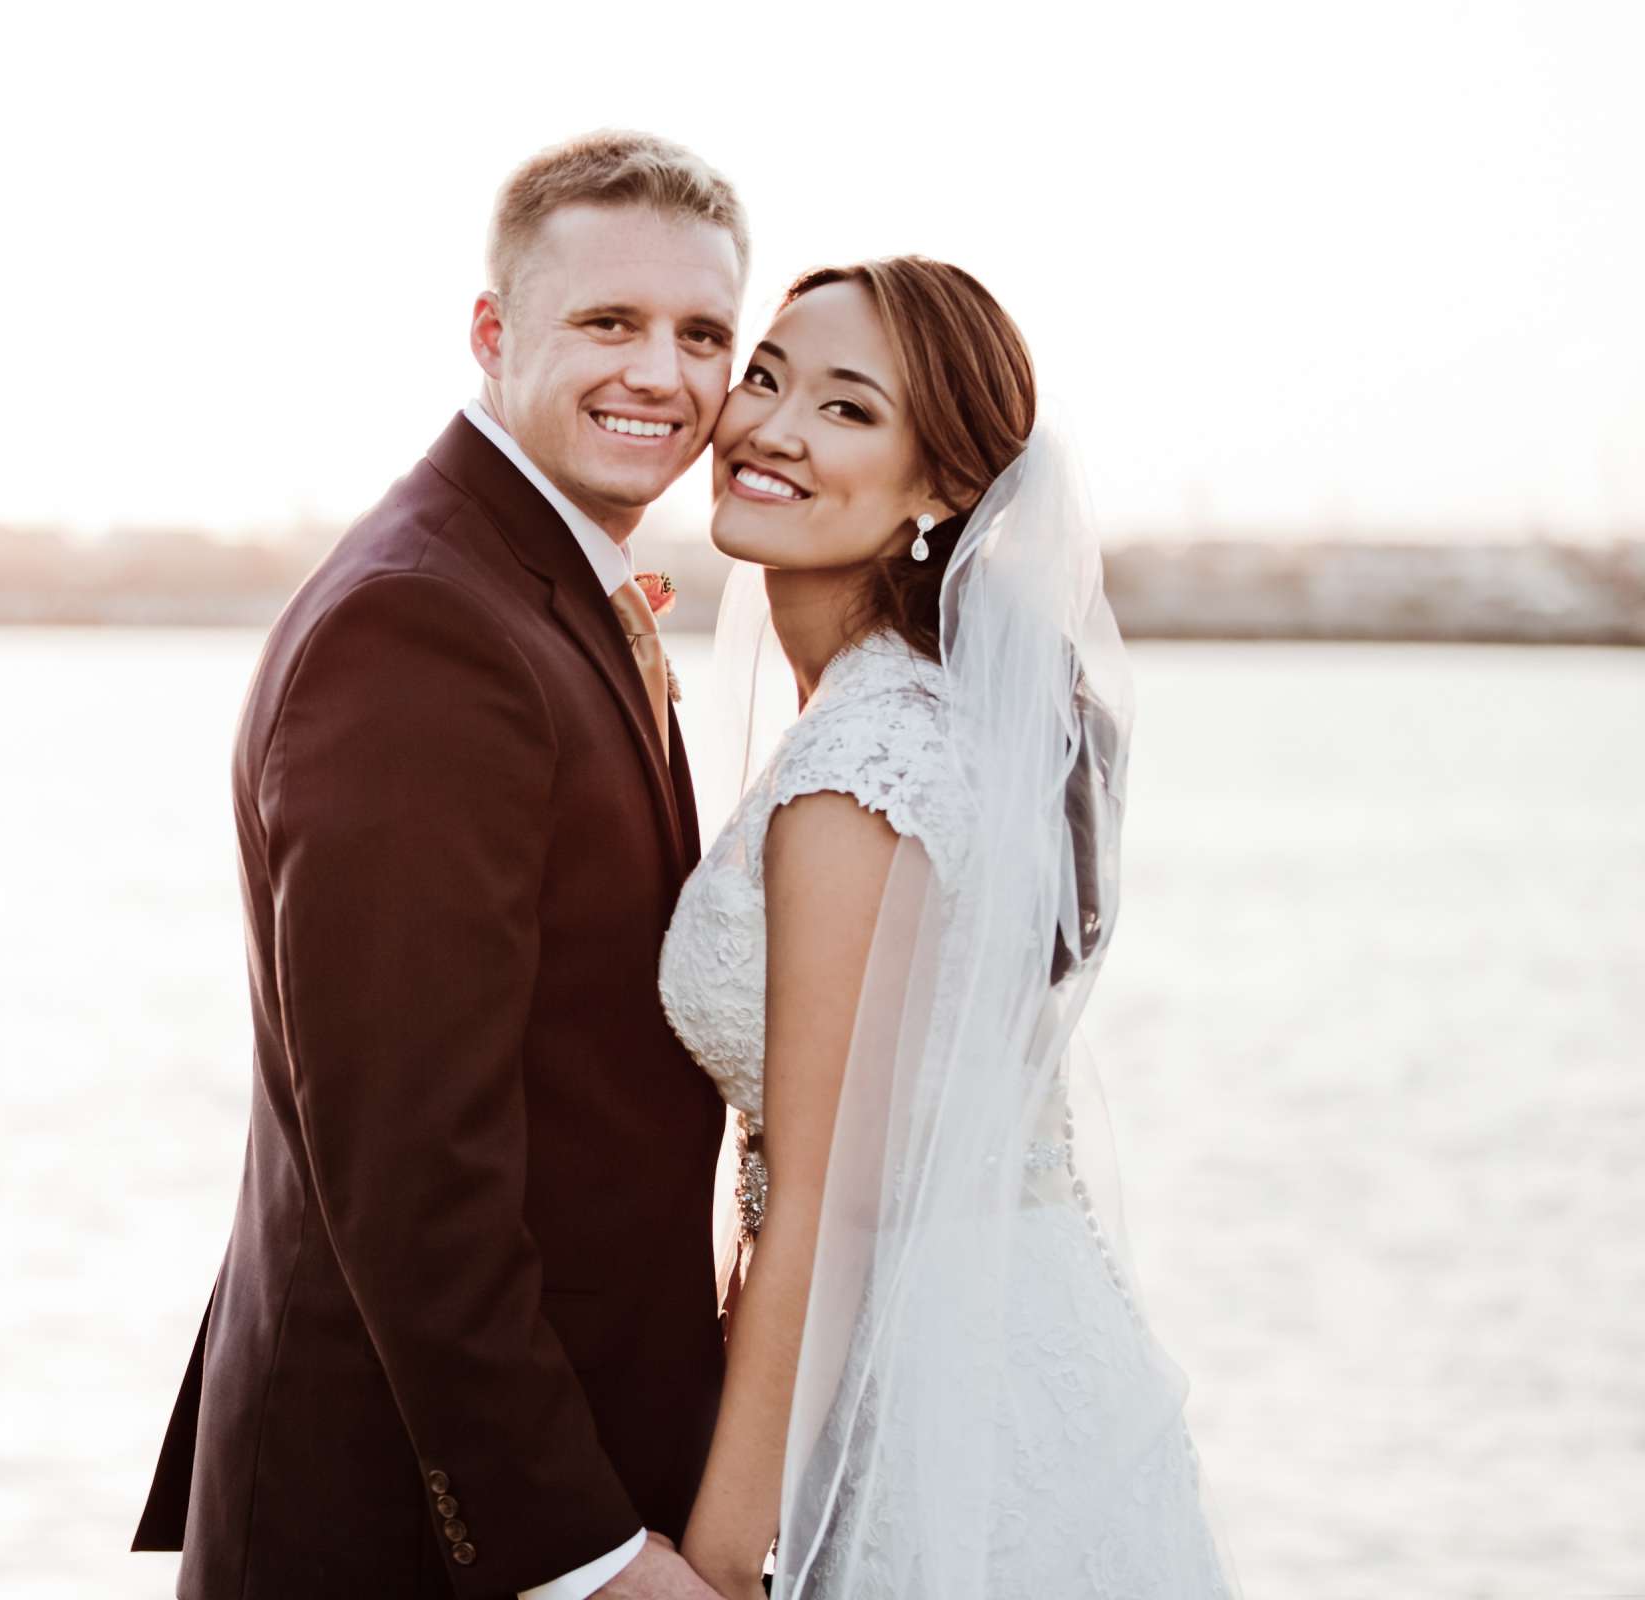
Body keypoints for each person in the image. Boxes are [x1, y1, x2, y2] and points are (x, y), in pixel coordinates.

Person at [133, 130, 748, 1598]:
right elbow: (412, 1167)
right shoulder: (423, 626)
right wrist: (584, 1557)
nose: (660, 375)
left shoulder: (533, 588)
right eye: (609, 322)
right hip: (403, 1527)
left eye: (703, 334)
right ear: (492, 333)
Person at [658, 258, 1239, 1597]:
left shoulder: (863, 771)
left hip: (931, 1409)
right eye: (766, 377)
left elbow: (826, 1210)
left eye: (849, 410)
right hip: (994, 1344)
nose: (772, 429)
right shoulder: (913, 720)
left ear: (944, 490)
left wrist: (719, 1557)